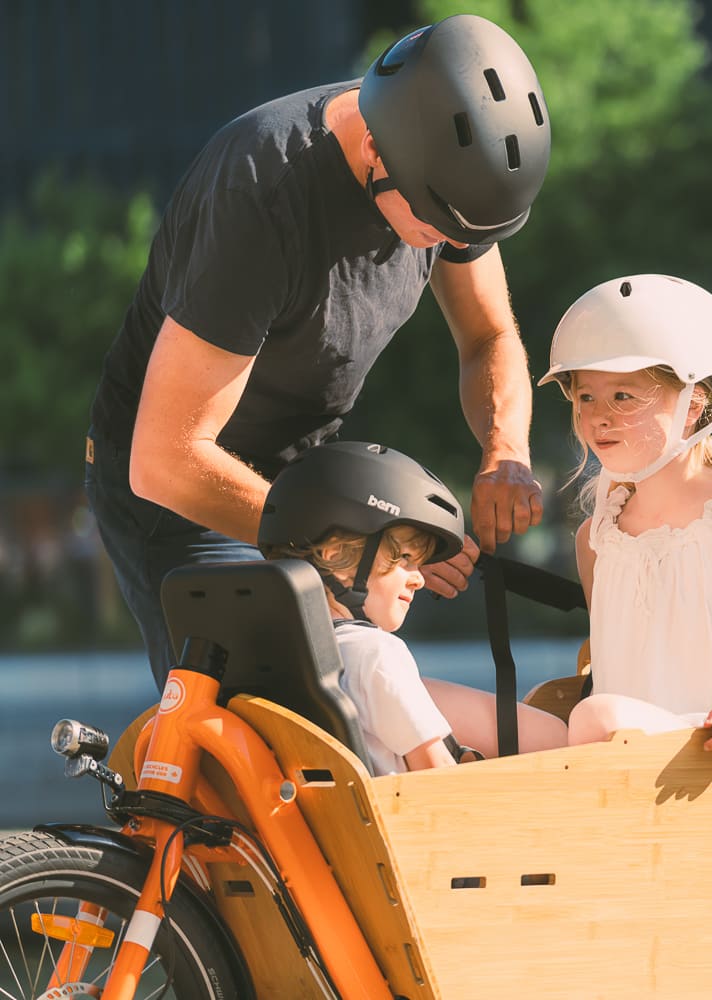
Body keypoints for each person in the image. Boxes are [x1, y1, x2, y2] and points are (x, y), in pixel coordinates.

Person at [84, 13, 551, 689]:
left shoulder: (440, 167)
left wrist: (505, 451)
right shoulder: (261, 196)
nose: (448, 247)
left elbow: (489, 336)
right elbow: (167, 459)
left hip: (301, 481)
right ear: (374, 150)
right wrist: (353, 548)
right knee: (265, 706)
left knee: (358, 692)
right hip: (180, 489)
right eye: (434, 227)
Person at [537, 275, 712, 758]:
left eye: (623, 396)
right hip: (612, 751)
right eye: (585, 396)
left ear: (693, 403)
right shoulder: (596, 536)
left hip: (709, 750)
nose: (598, 416)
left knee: (594, 716)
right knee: (446, 705)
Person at [258, 441, 567, 775]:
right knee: (561, 740)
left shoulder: (285, 653)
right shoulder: (376, 653)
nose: (419, 579)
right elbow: (436, 774)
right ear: (335, 556)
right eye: (405, 559)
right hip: (400, 809)